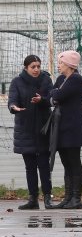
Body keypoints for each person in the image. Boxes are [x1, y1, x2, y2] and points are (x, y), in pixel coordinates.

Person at [8, 55, 54, 210]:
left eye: (38, 66)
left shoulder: (46, 80)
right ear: (26, 67)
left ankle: (48, 197)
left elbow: (51, 100)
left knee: (44, 165)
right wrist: (14, 107)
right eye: (33, 66)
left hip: (43, 128)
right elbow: (12, 100)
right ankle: (33, 199)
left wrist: (42, 100)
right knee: (30, 166)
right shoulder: (17, 82)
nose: (36, 69)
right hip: (25, 129)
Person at [46, 50, 82, 210]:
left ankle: (76, 198)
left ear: (70, 64)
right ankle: (68, 197)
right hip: (62, 127)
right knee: (66, 163)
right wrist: (54, 95)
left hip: (73, 127)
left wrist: (54, 95)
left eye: (61, 63)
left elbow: (58, 95)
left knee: (74, 161)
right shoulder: (61, 78)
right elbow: (52, 93)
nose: (58, 65)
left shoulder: (76, 79)